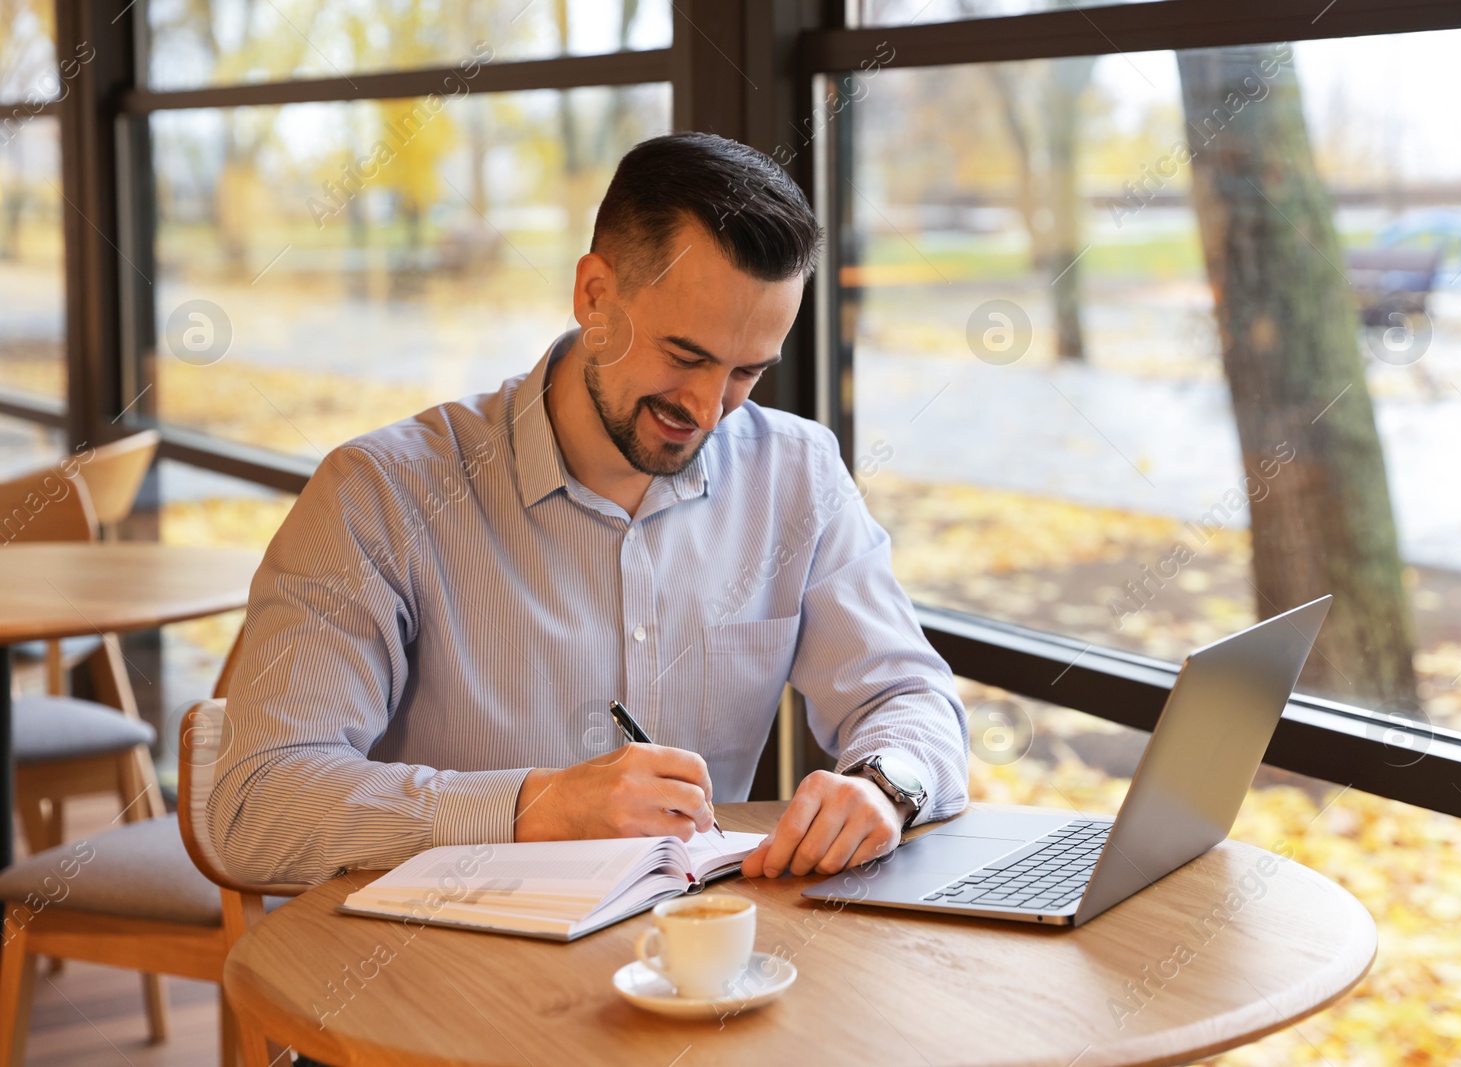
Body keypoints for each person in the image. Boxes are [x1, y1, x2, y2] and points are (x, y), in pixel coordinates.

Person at [209, 131, 969, 886]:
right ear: (595, 296)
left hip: (692, 971)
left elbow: (908, 696)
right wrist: (531, 807)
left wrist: (884, 785)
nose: (708, 410)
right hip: (443, 975)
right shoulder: (379, 494)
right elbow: (256, 806)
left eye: (746, 373)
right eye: (685, 356)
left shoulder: (797, 475)